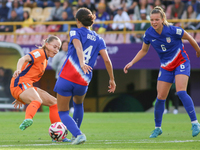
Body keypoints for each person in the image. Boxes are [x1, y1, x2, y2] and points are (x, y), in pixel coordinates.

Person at [124, 6, 200, 138]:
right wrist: (132, 62)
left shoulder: (173, 30)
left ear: (163, 19)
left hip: (181, 62)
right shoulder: (148, 33)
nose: (154, 22)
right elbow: (143, 50)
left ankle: (195, 123)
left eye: (156, 19)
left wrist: (198, 50)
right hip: (166, 66)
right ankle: (157, 128)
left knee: (181, 91)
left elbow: (189, 37)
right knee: (160, 97)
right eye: (152, 20)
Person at [54, 7, 116, 145]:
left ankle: (78, 134)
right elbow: (107, 60)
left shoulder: (75, 31)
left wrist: (81, 62)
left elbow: (78, 47)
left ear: (77, 20)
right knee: (78, 104)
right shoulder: (99, 39)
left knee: (63, 112)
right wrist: (112, 79)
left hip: (67, 77)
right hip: (83, 80)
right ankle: (76, 135)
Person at [10, 36, 70, 142]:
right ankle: (28, 118)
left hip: (26, 86)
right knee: (37, 100)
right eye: (54, 47)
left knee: (54, 103)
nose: (56, 50)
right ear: (46, 44)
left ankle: (57, 137)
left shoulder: (45, 60)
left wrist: (22, 95)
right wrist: (18, 70)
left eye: (58, 48)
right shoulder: (40, 53)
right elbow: (22, 59)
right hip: (20, 83)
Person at [51, 40, 74, 113]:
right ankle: (59, 107)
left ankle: (71, 107)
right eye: (64, 45)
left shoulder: (71, 54)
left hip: (70, 77)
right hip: (60, 77)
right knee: (60, 92)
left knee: (70, 92)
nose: (65, 47)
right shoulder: (58, 54)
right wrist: (59, 71)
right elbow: (53, 65)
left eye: (66, 45)